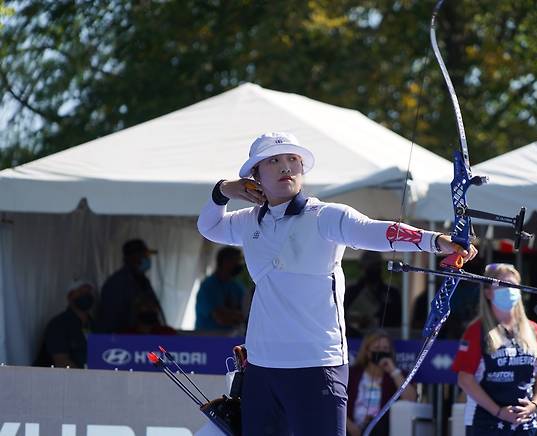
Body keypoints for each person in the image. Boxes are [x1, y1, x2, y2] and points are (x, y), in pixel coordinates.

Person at [196, 131, 477, 436]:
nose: (285, 167)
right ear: (255, 175)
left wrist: (437, 242)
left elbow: (375, 231)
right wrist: (223, 190)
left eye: (293, 159)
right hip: (262, 368)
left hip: (317, 366)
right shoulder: (248, 220)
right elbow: (209, 226)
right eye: (274, 161)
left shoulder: (325, 216)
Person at [452, 263, 537, 435]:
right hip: (485, 423)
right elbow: (465, 379)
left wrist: (535, 404)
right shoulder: (476, 330)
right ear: (488, 292)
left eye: (513, 286)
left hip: (525, 424)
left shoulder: (533, 329)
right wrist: (498, 411)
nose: (509, 290)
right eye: (502, 285)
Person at [346, 329, 416, 436]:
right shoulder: (352, 374)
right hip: (352, 428)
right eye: (377, 348)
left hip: (381, 429)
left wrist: (393, 371)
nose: (381, 352)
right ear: (367, 351)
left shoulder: (396, 376)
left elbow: (411, 398)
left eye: (385, 349)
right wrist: (349, 426)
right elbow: (336, 402)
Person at [97, 238, 165, 333]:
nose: (147, 258)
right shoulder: (118, 282)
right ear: (132, 257)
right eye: (144, 255)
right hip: (122, 341)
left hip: (142, 338)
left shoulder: (142, 279)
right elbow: (110, 319)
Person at [33, 280, 96, 368]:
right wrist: (87, 378)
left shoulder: (95, 325)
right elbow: (61, 362)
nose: (85, 295)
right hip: (60, 379)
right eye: (81, 292)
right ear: (70, 296)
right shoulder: (58, 325)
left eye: (88, 292)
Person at [345, 251, 402, 336]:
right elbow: (343, 317)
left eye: (376, 265)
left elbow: (399, 320)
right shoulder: (351, 291)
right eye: (369, 266)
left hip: (386, 338)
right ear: (362, 267)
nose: (373, 269)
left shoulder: (392, 292)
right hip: (354, 338)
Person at [195, 246, 246, 333]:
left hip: (231, 338)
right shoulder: (208, 286)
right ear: (225, 262)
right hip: (207, 339)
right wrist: (237, 316)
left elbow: (246, 313)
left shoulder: (237, 286)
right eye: (236, 261)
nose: (239, 265)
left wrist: (232, 315)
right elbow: (220, 318)